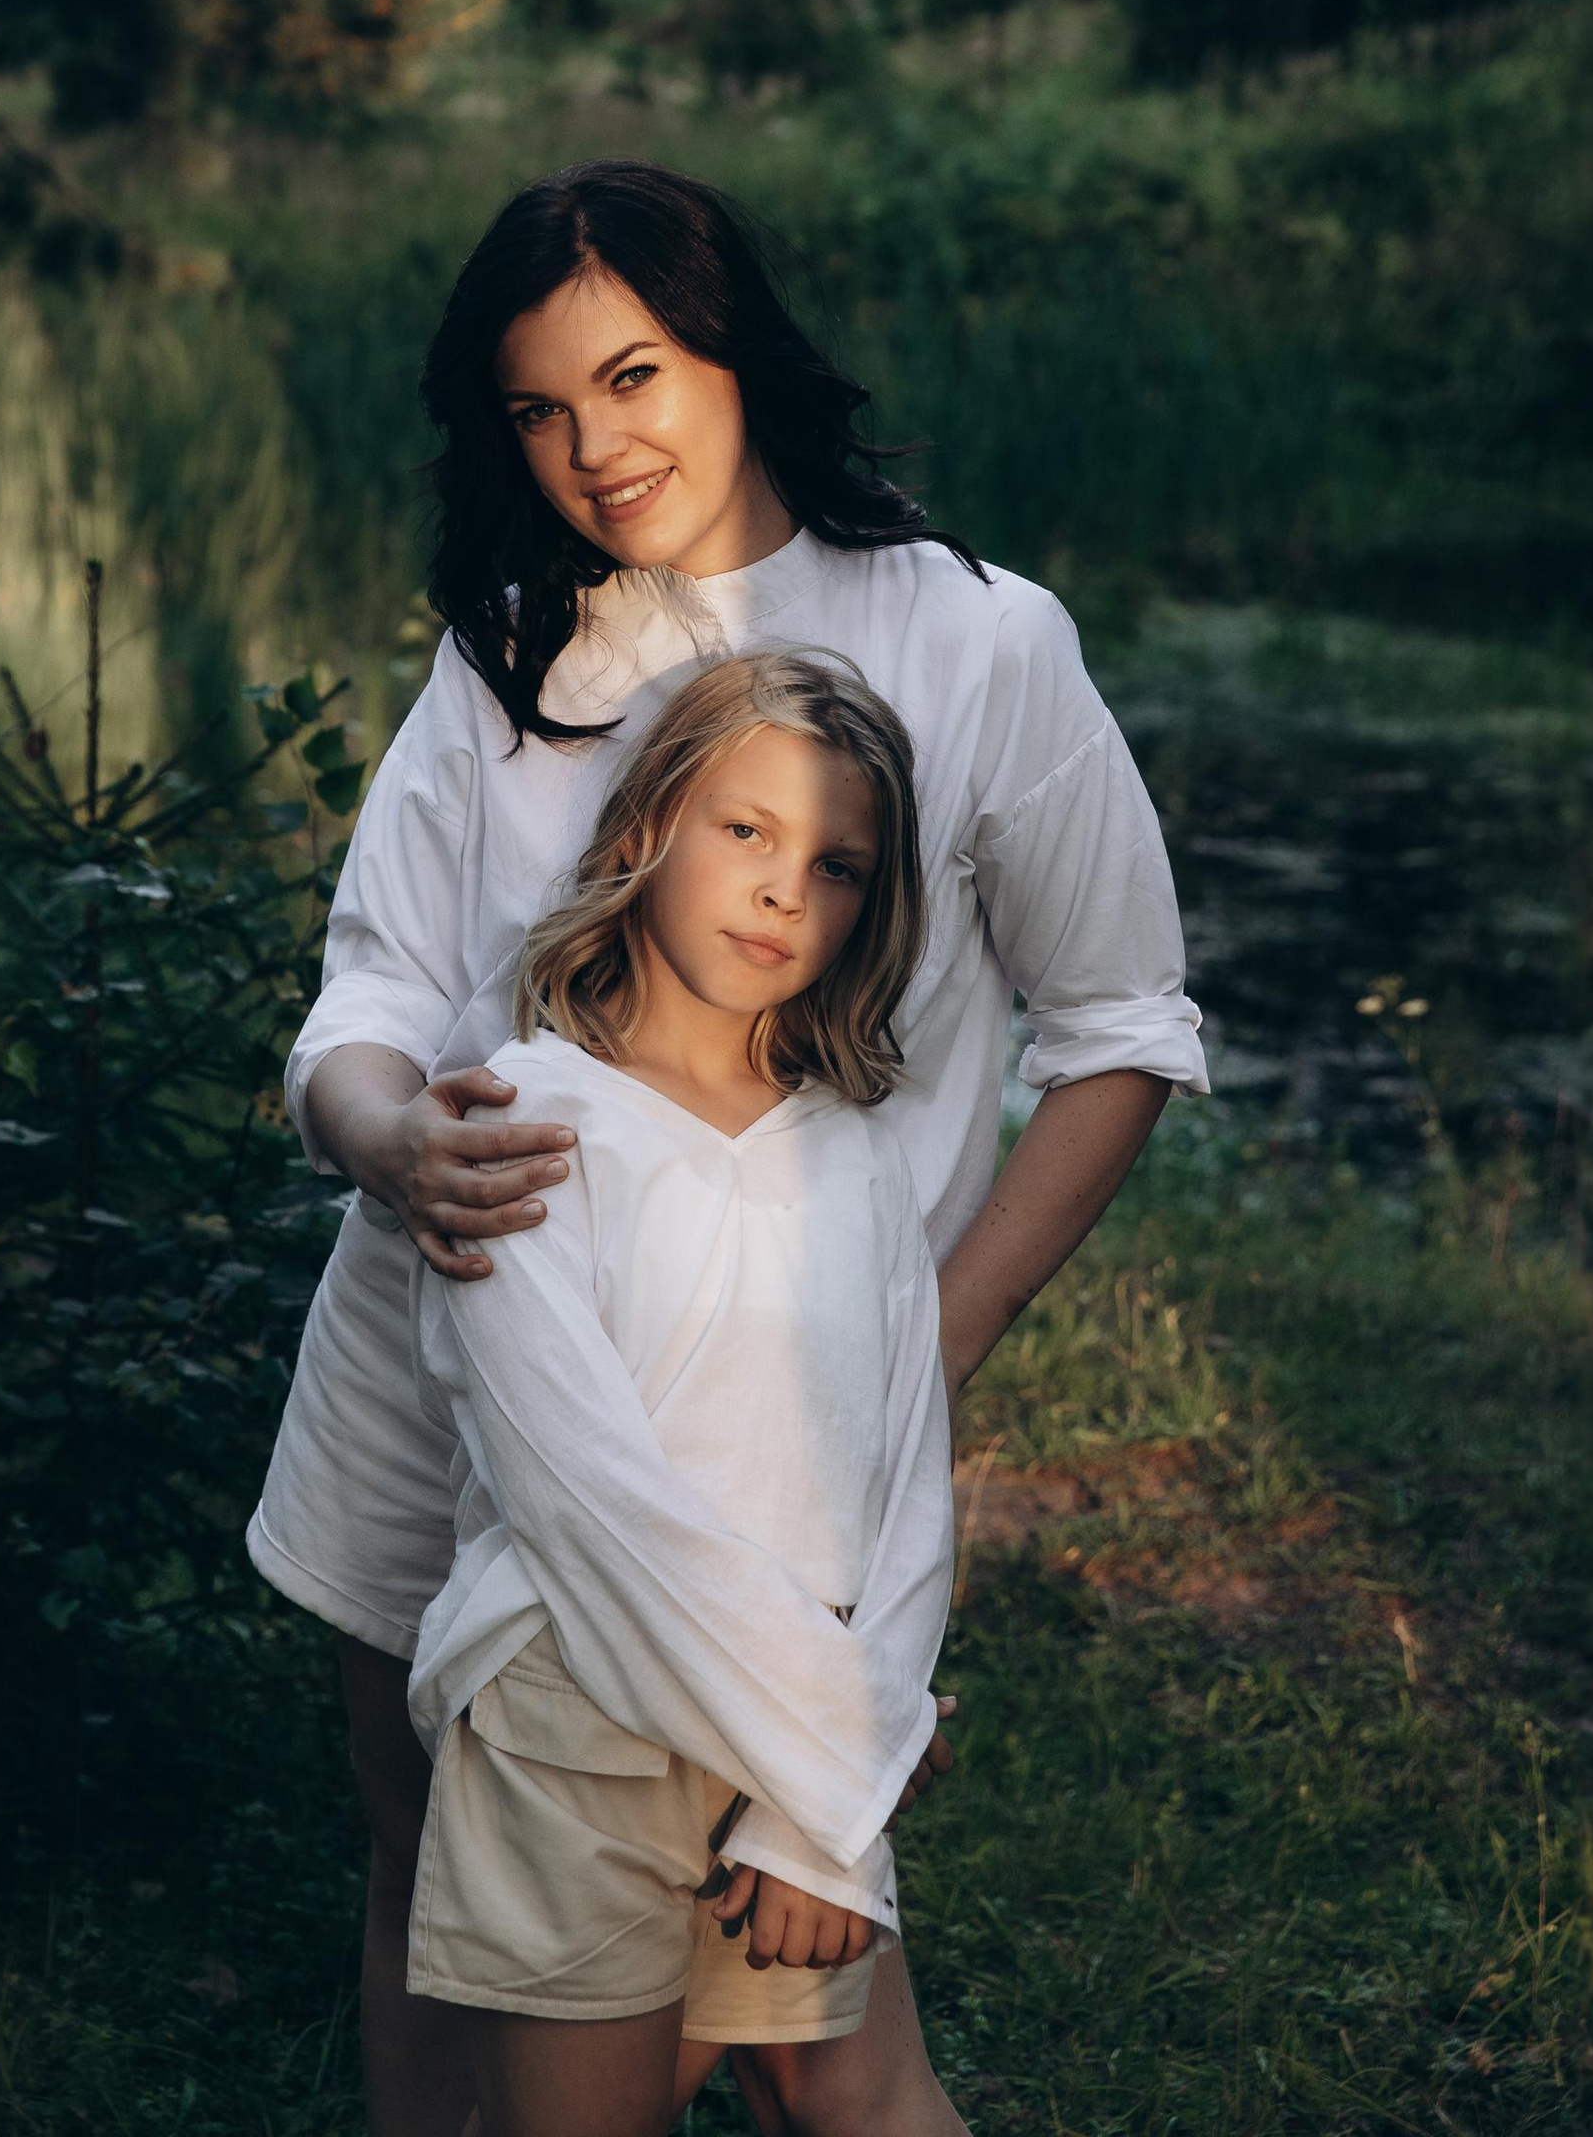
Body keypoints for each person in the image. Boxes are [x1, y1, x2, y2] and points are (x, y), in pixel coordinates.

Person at [248, 160, 1208, 2137]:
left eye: (634, 375)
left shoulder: (975, 646)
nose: (593, 451)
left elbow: (1115, 1035)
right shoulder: (512, 652)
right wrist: (387, 1148)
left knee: (807, 1985)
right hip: (434, 1365)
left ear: (733, 350)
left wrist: (916, 1351)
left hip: (761, 1442)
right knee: (435, 1869)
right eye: (536, 407)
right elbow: (362, 1004)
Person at [403, 649, 952, 2137]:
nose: (787, 892)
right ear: (646, 828)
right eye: (747, 831)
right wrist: (844, 1755)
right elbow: (591, 1506)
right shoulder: (525, 1124)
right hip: (576, 1709)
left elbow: (910, 1491)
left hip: (788, 1744)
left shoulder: (854, 1156)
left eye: (836, 865)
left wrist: (815, 1816)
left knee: (829, 2096)